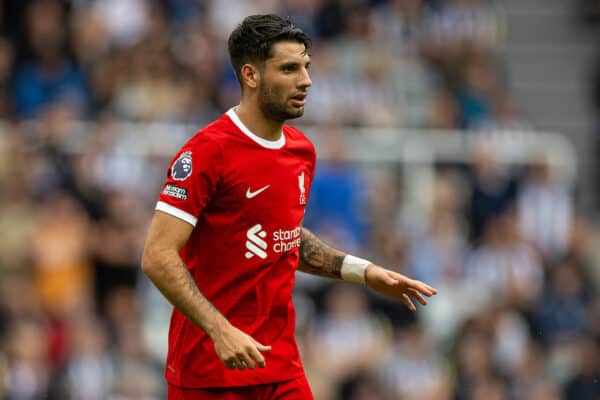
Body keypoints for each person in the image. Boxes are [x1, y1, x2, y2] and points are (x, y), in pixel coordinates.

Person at [141, 14, 437, 400]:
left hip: (279, 367)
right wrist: (220, 330)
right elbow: (157, 255)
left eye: (306, 67)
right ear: (250, 75)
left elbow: (284, 239)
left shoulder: (301, 151)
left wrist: (364, 272)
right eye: (289, 69)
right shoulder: (207, 152)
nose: (306, 81)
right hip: (211, 368)